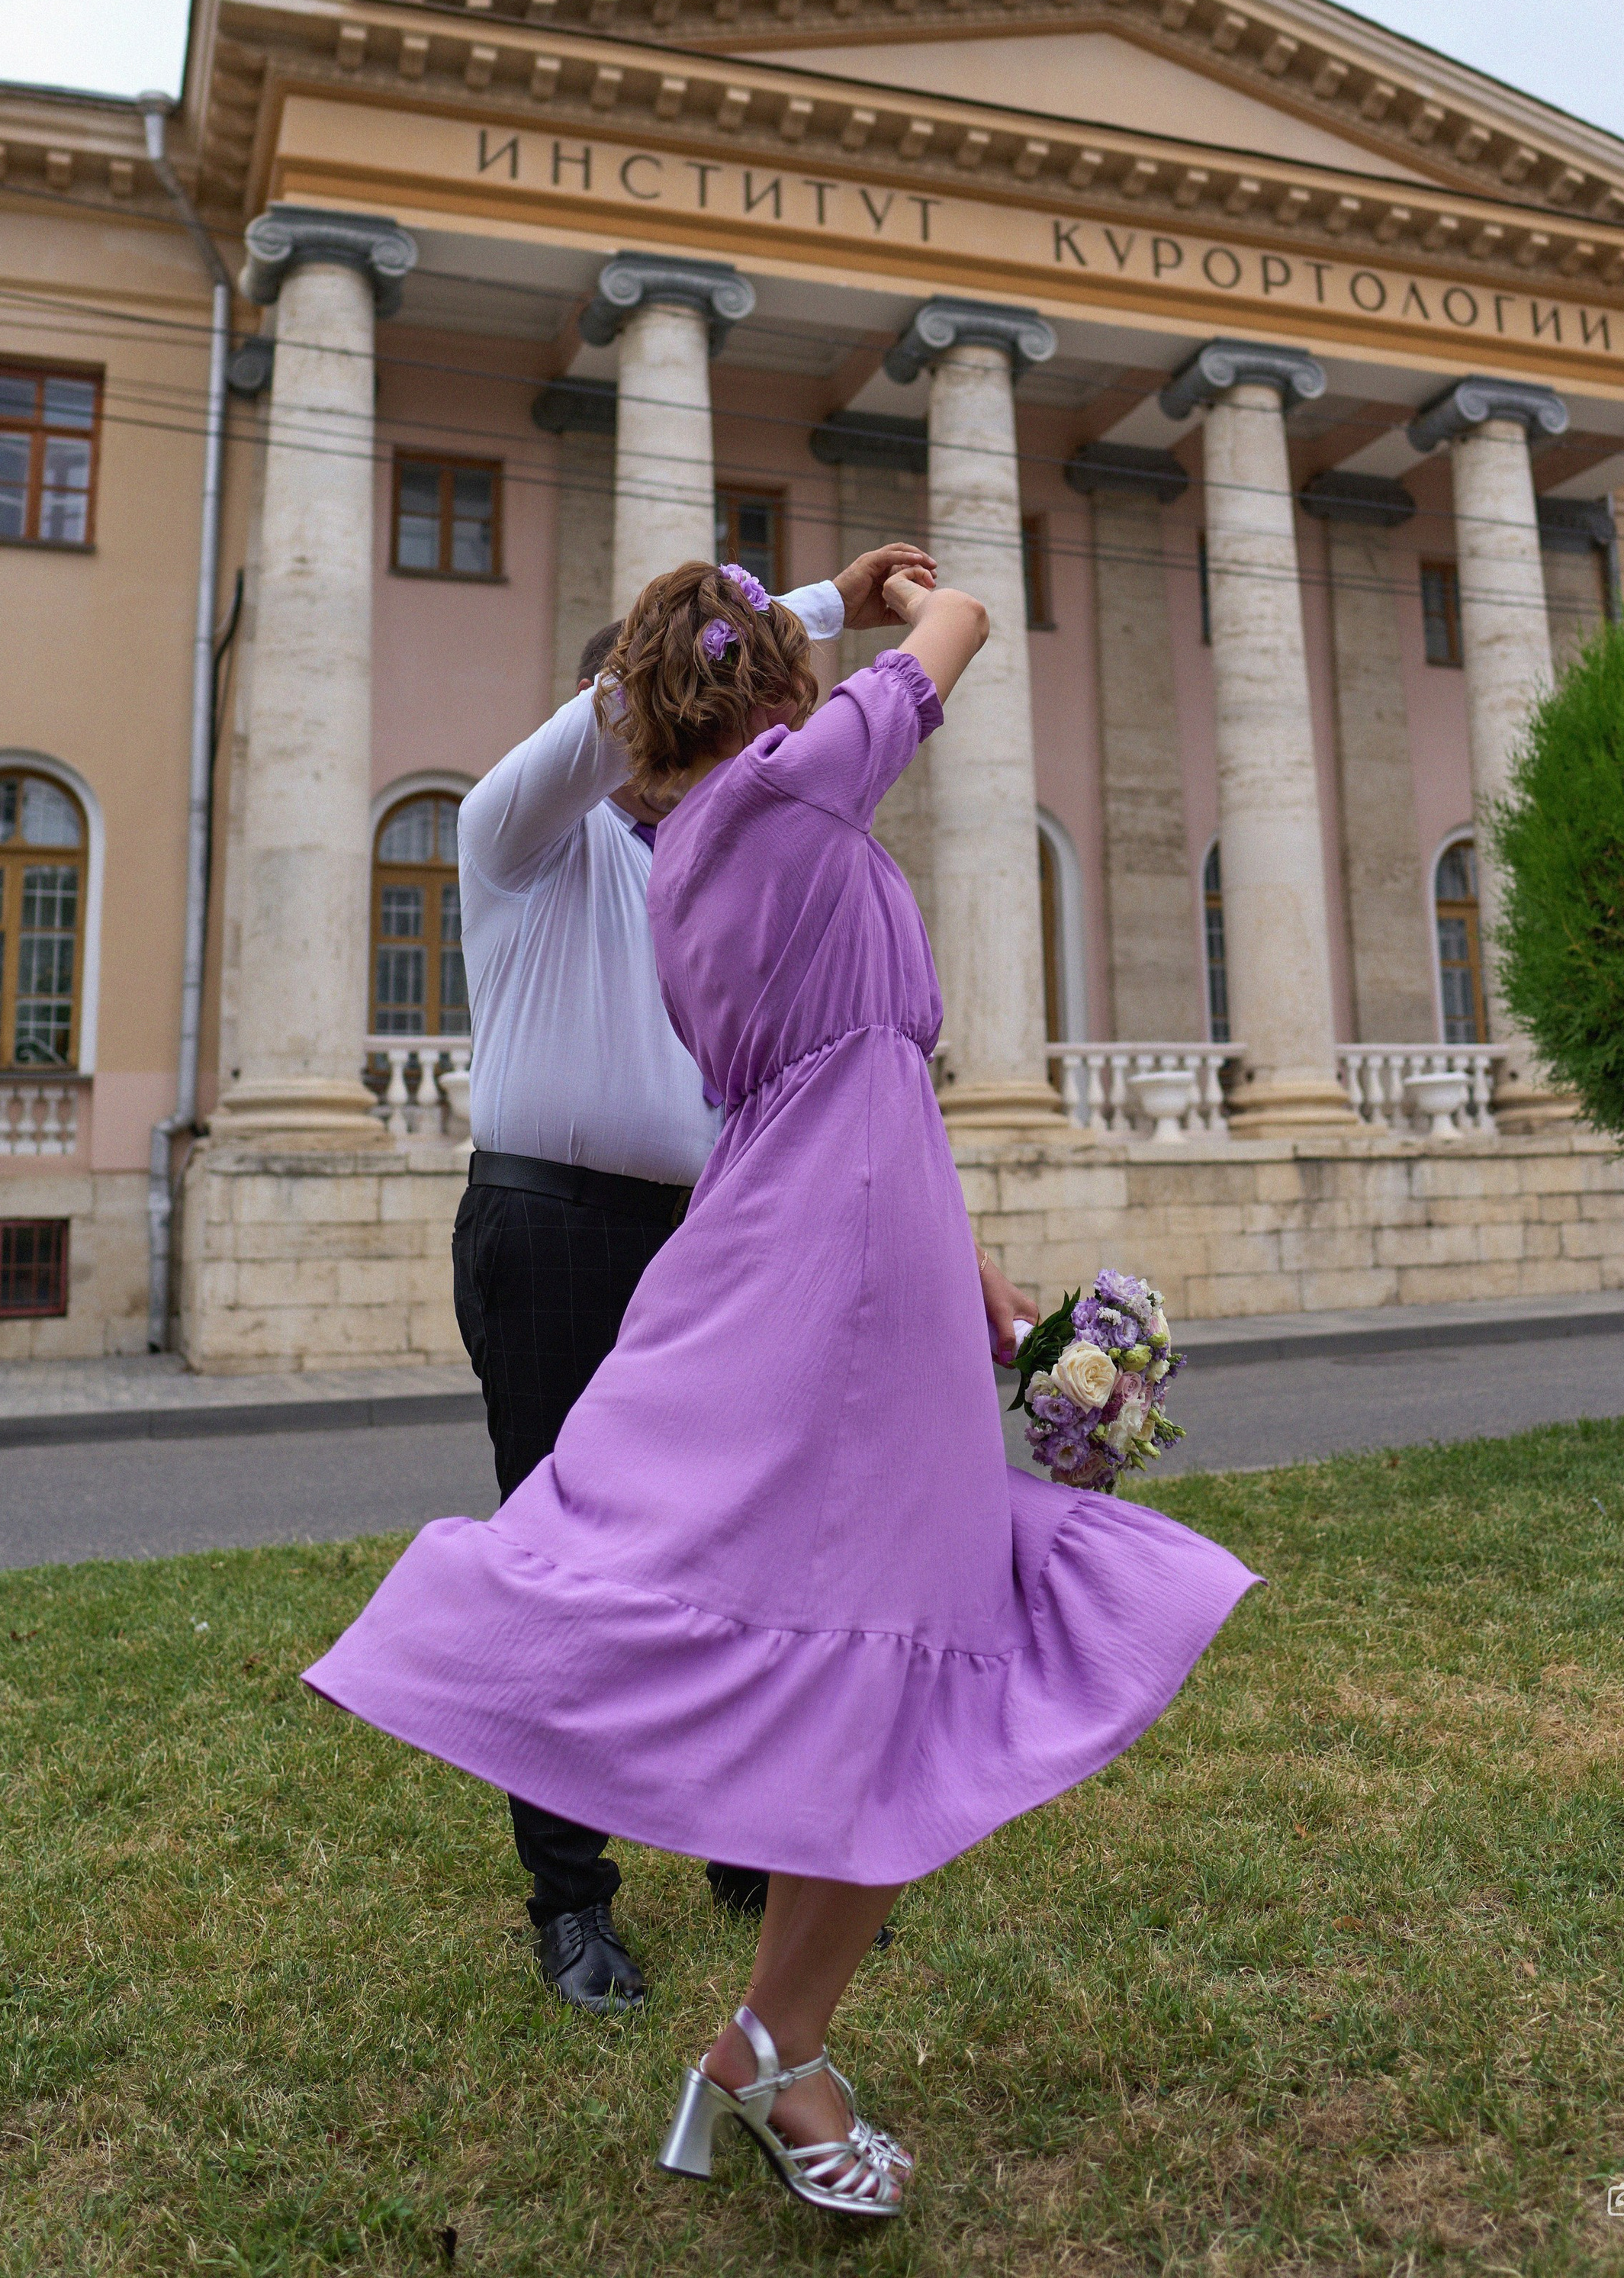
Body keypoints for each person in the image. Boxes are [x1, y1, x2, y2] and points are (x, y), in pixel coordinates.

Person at [307, 559, 1257, 2220]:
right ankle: (719, 2001)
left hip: (831, 1228)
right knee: (889, 1634)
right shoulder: (761, 801)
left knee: (899, 1643)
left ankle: (772, 2037)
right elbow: (948, 644)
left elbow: (852, 1077)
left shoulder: (725, 842)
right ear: (749, 702)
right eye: (781, 672)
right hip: (765, 1237)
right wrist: (913, 589)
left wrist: (959, 1268)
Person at [449, 540, 931, 2016]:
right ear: (638, 713)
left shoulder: (736, 860)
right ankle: (571, 1900)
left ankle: (741, 1840)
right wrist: (827, 610)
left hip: (718, 1232)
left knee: (744, 1545)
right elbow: (649, 688)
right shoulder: (523, 836)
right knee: (563, 1553)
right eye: (697, 709)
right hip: (549, 1228)